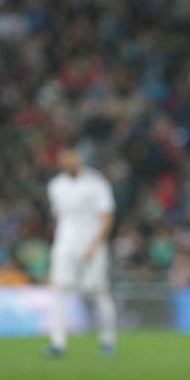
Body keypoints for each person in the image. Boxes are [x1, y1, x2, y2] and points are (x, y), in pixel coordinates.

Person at [46, 146, 118, 356]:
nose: (69, 162)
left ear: (79, 160)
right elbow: (60, 218)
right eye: (65, 159)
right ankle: (58, 343)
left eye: (72, 158)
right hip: (65, 244)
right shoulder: (56, 186)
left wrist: (96, 243)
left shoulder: (96, 183)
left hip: (91, 244)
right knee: (58, 290)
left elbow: (107, 215)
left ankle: (107, 340)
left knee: (98, 292)